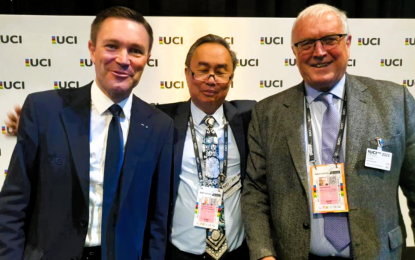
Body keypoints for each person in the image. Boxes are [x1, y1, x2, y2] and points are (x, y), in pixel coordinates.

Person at [241, 3, 415, 260]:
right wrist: (264, 254)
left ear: (348, 42)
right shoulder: (268, 113)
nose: (319, 52)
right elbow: (255, 192)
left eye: (329, 39)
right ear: (294, 52)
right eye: (307, 44)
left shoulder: (394, 101)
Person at [0, 6, 173, 260]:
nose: (124, 59)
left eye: (135, 50)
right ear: (92, 50)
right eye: (112, 46)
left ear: (147, 57)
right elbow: (13, 204)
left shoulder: (160, 126)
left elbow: (157, 219)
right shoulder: (44, 110)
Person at [157, 34, 254, 260]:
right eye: (202, 70)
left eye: (220, 72)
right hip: (180, 253)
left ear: (231, 78)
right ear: (187, 74)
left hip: (236, 253)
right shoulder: (162, 120)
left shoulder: (249, 118)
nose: (211, 80)